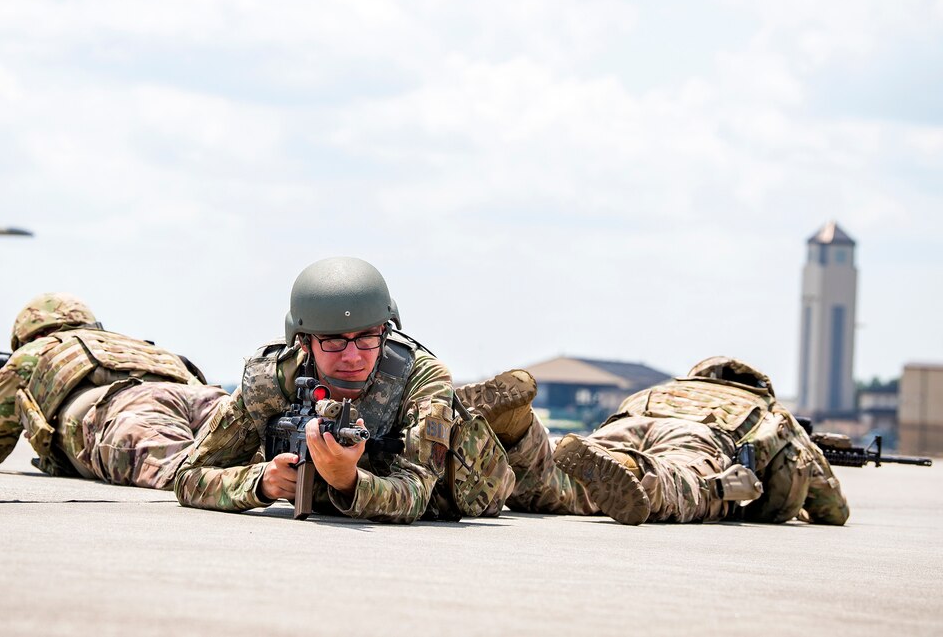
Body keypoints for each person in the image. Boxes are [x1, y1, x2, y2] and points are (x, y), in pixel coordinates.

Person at [175, 257, 526, 523]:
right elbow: (188, 477)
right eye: (333, 342)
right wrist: (259, 482)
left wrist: (349, 481)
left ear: (386, 332)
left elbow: (418, 491)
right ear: (304, 343)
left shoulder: (422, 376)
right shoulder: (271, 380)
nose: (353, 356)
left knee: (564, 495)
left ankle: (515, 425)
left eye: (367, 337)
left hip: (478, 476)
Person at [0, 292, 227, 490]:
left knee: (188, 476)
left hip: (129, 410)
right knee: (254, 449)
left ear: (31, 333)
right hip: (199, 396)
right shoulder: (136, 345)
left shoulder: (37, 350)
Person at [541, 355, 850, 526]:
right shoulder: (768, 409)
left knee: (561, 479)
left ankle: (521, 438)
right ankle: (631, 467)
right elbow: (831, 508)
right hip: (701, 435)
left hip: (631, 423)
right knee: (684, 480)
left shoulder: (660, 390)